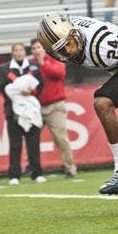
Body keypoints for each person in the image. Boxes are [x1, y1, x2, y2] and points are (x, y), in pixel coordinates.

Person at [36, 12, 118, 195]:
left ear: (75, 33)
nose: (68, 51)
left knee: (102, 102)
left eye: (69, 43)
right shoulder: (69, 33)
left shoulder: (101, 45)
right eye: (61, 49)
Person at [30, 39, 77, 178]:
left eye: (39, 47)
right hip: (36, 107)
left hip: (55, 106)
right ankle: (32, 167)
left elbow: (59, 74)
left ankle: (70, 168)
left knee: (61, 138)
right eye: (34, 48)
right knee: (31, 138)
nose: (37, 50)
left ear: (44, 48)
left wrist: (42, 63)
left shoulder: (55, 58)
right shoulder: (30, 64)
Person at [0, 43, 46, 185]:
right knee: (15, 145)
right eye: (16, 50)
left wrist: (30, 92)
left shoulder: (34, 67)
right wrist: (16, 94)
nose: (18, 53)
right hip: (13, 111)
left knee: (33, 144)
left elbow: (40, 85)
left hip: (32, 111)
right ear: (12, 53)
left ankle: (36, 173)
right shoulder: (4, 69)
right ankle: (14, 175)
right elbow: (2, 88)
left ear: (25, 52)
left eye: (21, 50)